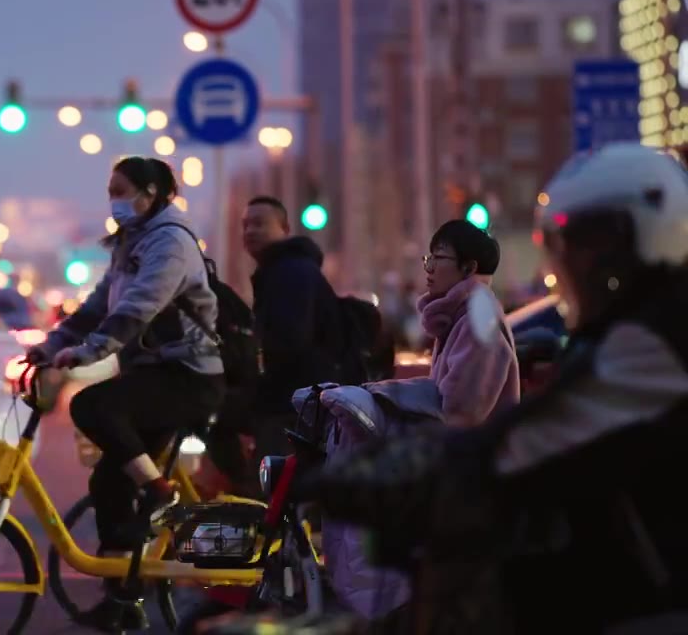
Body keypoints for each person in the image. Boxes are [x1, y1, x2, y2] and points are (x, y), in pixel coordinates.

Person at [291, 143, 688, 633]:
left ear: (644, 237)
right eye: (565, 247)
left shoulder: (658, 339)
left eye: (589, 245)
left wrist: (396, 470)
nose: (574, 266)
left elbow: (525, 440)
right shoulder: (628, 326)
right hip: (626, 558)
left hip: (655, 586)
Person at [27, 156, 225, 632]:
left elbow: (139, 307)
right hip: (154, 377)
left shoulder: (170, 243)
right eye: (109, 191)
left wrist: (90, 353)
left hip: (188, 376)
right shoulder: (130, 244)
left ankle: (160, 490)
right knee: (109, 484)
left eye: (120, 189)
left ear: (151, 192)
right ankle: (123, 601)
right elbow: (97, 305)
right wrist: (49, 345)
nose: (113, 200)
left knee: (92, 404)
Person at [242, 196, 348, 454]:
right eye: (245, 225)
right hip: (294, 401)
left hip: (294, 405)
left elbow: (288, 342)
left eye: (259, 223)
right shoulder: (277, 271)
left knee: (277, 484)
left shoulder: (291, 272)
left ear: (285, 229)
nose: (250, 231)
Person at [419, 219, 520, 426]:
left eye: (438, 258)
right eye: (429, 258)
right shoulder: (458, 317)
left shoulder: (478, 324)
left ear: (468, 268)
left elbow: (459, 414)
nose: (429, 268)